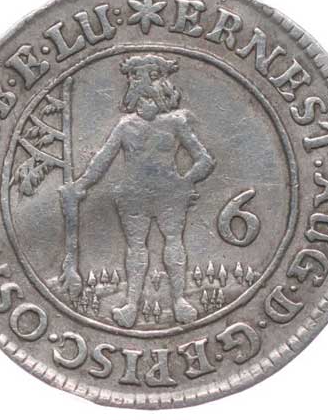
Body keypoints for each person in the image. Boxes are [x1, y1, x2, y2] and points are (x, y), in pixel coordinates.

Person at [60, 54, 215, 328]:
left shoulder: (175, 123)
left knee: (173, 242)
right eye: (141, 94)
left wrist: (185, 182)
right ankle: (131, 306)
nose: (146, 100)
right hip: (134, 196)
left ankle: (179, 302)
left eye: (151, 85)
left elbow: (204, 160)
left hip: (170, 194)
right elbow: (102, 160)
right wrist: (80, 185)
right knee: (136, 249)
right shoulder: (125, 126)